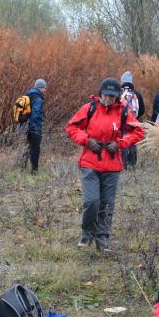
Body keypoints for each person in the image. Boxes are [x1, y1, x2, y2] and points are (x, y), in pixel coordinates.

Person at [65, 77, 144, 253]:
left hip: (112, 164)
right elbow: (71, 128)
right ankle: (87, 233)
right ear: (101, 93)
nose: (109, 99)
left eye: (113, 96)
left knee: (107, 204)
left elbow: (138, 131)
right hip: (90, 162)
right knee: (91, 201)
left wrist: (120, 143)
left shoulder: (123, 111)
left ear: (117, 96)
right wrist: (87, 141)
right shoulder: (89, 108)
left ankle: (103, 239)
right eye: (106, 95)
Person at [120, 71, 145, 169]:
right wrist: (136, 118)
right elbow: (142, 109)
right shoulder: (137, 93)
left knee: (123, 140)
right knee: (132, 141)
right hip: (134, 122)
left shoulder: (119, 92)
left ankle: (123, 163)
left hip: (122, 122)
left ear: (122, 82)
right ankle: (132, 163)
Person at [22, 79, 46, 173]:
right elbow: (35, 114)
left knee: (27, 147)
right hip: (34, 128)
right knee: (35, 149)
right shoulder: (38, 99)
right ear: (40, 88)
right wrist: (35, 128)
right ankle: (34, 170)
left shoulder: (29, 95)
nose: (45, 90)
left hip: (26, 126)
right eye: (44, 87)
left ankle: (22, 166)